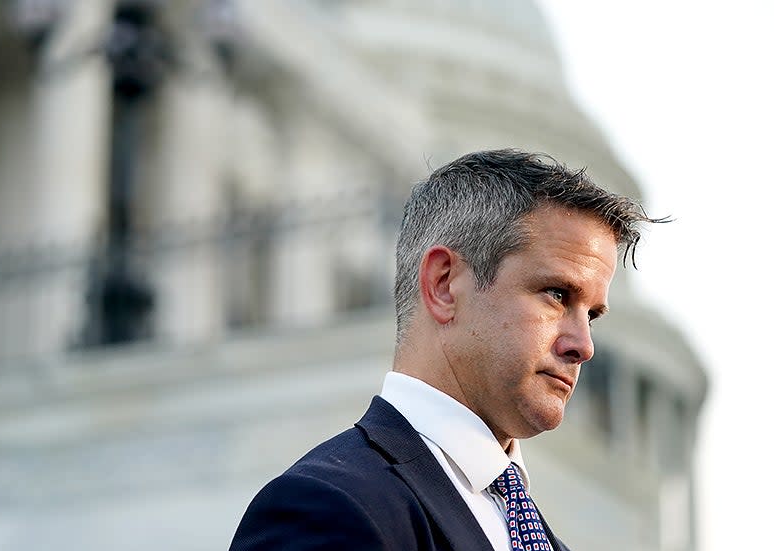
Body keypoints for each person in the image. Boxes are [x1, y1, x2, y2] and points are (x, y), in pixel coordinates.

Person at [228, 149, 664, 551]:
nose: (583, 346)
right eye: (556, 294)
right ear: (443, 284)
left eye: (591, 315)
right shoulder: (327, 508)